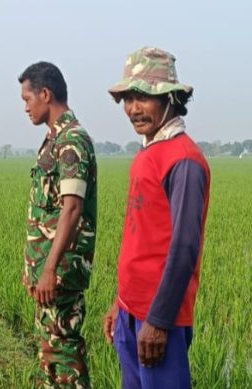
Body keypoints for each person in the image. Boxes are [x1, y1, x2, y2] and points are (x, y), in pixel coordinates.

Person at [102, 47, 211, 389]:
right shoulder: (150, 151)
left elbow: (184, 247)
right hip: (131, 312)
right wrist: (120, 303)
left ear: (170, 99)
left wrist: (159, 322)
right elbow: (143, 240)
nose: (133, 108)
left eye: (144, 97)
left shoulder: (183, 160)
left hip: (159, 319)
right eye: (128, 98)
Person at [18, 61, 98, 388]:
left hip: (61, 272)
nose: (26, 108)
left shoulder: (71, 141)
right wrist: (37, 269)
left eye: (27, 99)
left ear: (45, 94)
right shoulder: (54, 139)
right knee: (50, 349)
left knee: (63, 350)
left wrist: (49, 269)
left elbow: (72, 208)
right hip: (48, 271)